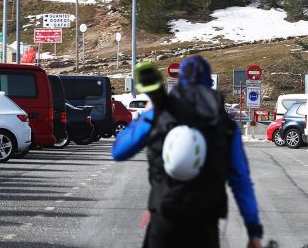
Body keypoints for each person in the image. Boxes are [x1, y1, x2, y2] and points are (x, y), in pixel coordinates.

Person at [112, 56, 263, 248]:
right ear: (210, 82)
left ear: (180, 81)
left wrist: (148, 115)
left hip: (164, 221)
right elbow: (241, 181)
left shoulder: (160, 111)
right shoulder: (225, 124)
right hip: (205, 226)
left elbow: (119, 151)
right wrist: (254, 232)